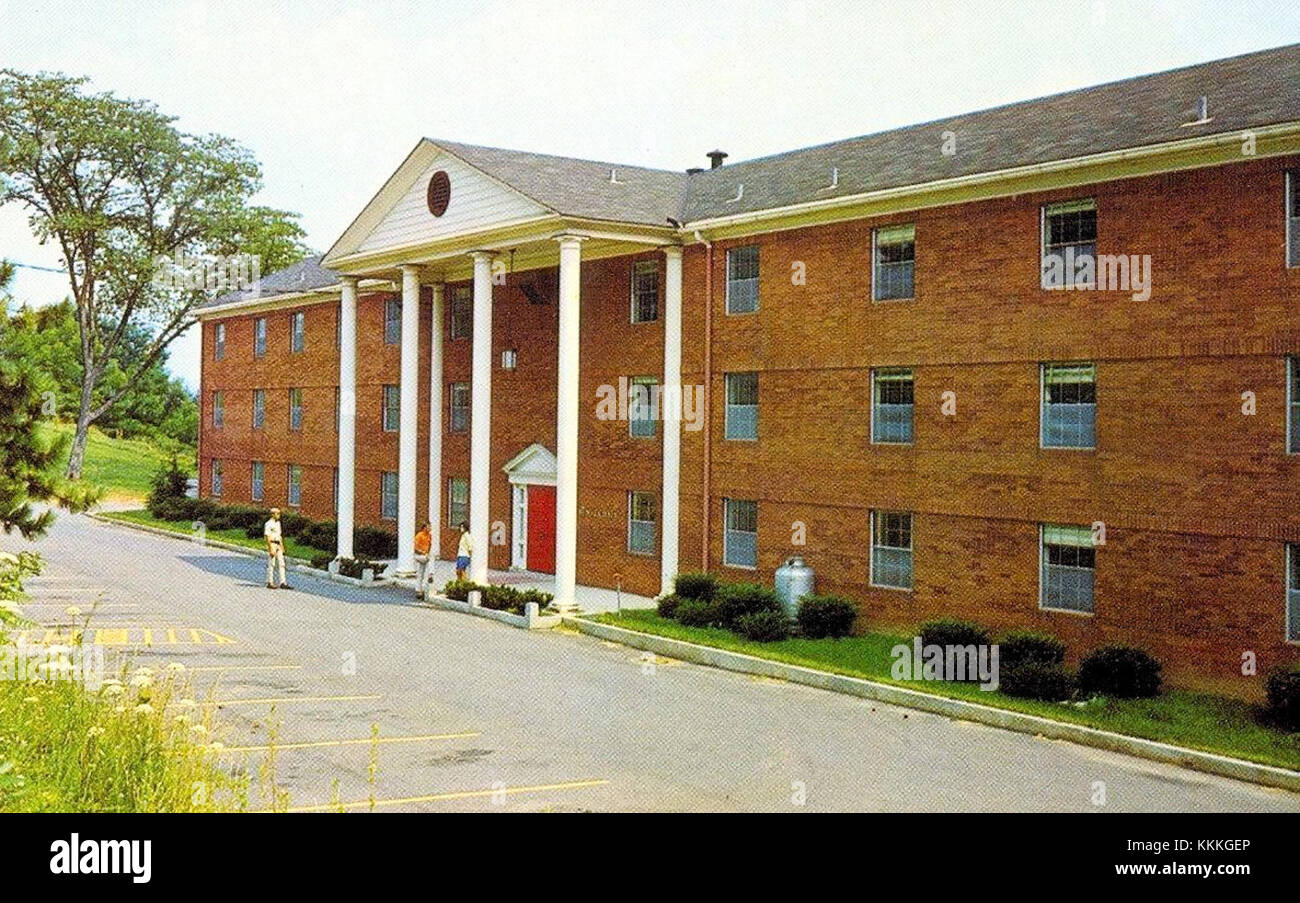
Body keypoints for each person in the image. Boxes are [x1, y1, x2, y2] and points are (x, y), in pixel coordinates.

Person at [264, 507, 290, 589]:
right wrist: (270, 548)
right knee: (272, 564)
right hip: (272, 543)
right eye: (277, 513)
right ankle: (270, 582)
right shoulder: (268, 524)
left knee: (282, 564)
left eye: (279, 513)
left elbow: (280, 535)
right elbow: (267, 536)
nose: (279, 515)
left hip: (278, 544)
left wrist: (282, 547)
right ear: (272, 514)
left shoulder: (278, 523)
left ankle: (283, 582)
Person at [414, 521, 432, 596]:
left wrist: (427, 552)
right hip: (418, 556)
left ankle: (419, 590)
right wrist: (423, 552)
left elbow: (429, 545)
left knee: (421, 573)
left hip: (425, 556)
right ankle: (431, 574)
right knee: (430, 559)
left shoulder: (429, 535)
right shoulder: (419, 535)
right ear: (424, 528)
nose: (430, 528)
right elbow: (415, 548)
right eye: (429, 527)